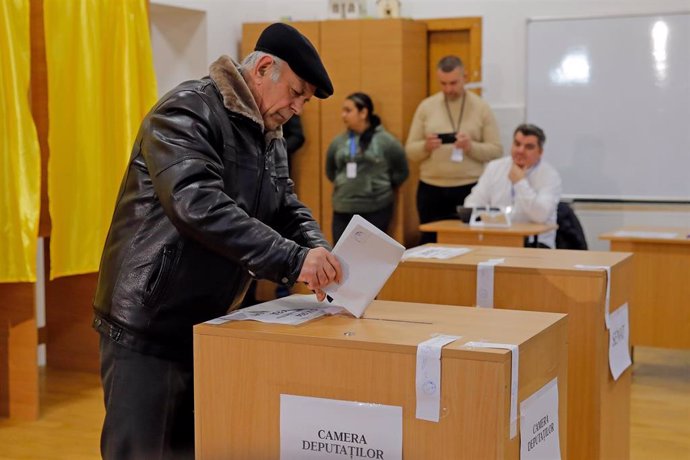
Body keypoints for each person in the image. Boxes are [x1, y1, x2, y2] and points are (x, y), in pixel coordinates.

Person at [92, 23, 343, 459]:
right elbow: (198, 205)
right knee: (141, 451)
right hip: (149, 321)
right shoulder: (188, 111)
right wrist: (292, 260)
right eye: (297, 93)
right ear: (265, 67)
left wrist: (318, 251)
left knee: (196, 448)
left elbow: (285, 206)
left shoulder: (268, 135)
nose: (298, 108)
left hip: (207, 322)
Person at [405, 55, 503, 244]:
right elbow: (410, 150)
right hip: (431, 188)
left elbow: (496, 150)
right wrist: (426, 146)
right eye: (443, 84)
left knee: (468, 242)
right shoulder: (426, 107)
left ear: (464, 77)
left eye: (453, 83)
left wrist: (470, 147)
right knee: (430, 241)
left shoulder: (481, 107)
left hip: (469, 188)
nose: (448, 89)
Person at [325, 92, 409, 243]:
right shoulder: (338, 142)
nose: (343, 115)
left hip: (375, 209)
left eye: (348, 110)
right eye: (343, 110)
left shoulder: (386, 141)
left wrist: (380, 186)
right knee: (340, 258)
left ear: (363, 112)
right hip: (343, 208)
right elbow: (330, 171)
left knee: (370, 258)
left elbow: (401, 171)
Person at [464, 123, 562, 248]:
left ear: (540, 152)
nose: (520, 150)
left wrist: (520, 183)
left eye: (529, 147)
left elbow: (540, 216)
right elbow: (471, 204)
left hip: (535, 244)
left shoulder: (550, 176)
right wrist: (490, 217)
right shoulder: (495, 168)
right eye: (517, 144)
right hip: (497, 241)